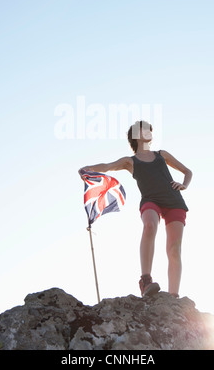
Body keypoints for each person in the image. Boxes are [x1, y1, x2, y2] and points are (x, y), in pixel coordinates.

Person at [78, 120, 192, 298]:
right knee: (149, 226)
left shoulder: (162, 154)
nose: (149, 131)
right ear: (136, 135)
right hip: (150, 200)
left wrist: (183, 185)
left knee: (174, 249)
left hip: (174, 201)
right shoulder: (130, 161)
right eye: (145, 128)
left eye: (150, 129)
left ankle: (174, 297)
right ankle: (146, 281)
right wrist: (88, 169)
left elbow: (188, 171)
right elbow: (108, 166)